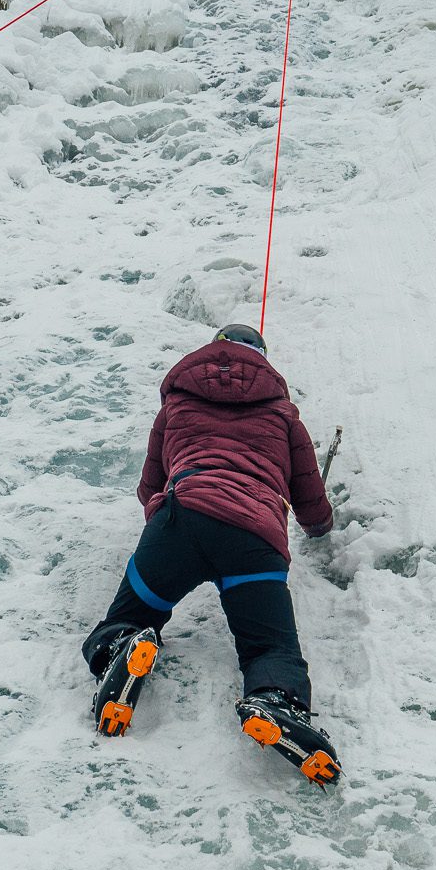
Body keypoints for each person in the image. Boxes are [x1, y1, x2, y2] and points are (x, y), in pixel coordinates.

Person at [82, 323, 341, 784]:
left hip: (180, 522)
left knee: (130, 614)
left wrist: (167, 537)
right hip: (253, 541)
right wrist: (319, 527)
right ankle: (273, 701)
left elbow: (148, 486)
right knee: (270, 646)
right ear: (262, 358)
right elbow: (309, 494)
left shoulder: (177, 404)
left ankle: (123, 646)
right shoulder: (283, 415)